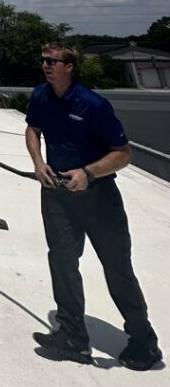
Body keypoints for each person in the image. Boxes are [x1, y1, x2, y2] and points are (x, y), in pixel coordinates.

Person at [25, 43, 161, 370]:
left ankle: (144, 341)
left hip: (98, 197)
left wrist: (88, 173)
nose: (45, 66)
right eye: (43, 60)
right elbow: (32, 128)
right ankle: (72, 336)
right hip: (56, 192)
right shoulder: (42, 95)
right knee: (62, 260)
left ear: (69, 66)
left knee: (116, 267)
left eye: (52, 61)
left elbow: (123, 153)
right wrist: (38, 161)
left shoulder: (93, 105)